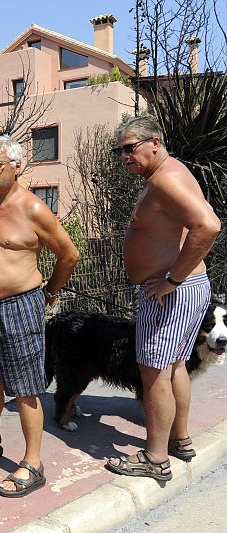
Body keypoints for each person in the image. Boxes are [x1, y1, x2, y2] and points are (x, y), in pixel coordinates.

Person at [0, 135, 79, 497]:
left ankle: (34, 463)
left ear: (16, 166)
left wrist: (50, 294)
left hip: (18, 305)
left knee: (26, 386)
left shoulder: (33, 209)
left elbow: (68, 255)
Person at [106, 115, 221, 481]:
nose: (124, 156)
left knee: (154, 372)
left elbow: (209, 225)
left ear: (154, 142)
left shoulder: (167, 179)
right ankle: (180, 439)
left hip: (172, 293)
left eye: (130, 148)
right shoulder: (165, 175)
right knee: (173, 368)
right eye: (118, 150)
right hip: (183, 290)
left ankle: (155, 458)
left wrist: (173, 279)